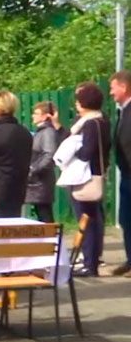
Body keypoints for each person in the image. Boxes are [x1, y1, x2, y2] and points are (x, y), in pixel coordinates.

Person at [67, 82, 111, 277]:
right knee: (92, 218)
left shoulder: (90, 124)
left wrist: (72, 151)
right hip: (95, 173)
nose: (76, 104)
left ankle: (89, 263)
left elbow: (87, 151)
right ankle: (90, 260)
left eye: (79, 100)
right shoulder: (101, 120)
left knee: (86, 219)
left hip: (86, 176)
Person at [109, 70, 131, 277]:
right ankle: (129, 259)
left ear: (123, 87)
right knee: (126, 219)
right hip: (126, 174)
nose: (111, 92)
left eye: (113, 87)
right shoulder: (122, 111)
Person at [26, 101, 62, 223]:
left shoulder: (47, 132)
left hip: (41, 180)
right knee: (41, 212)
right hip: (38, 180)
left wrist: (33, 169)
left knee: (44, 213)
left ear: (46, 116)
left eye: (36, 113)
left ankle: (52, 239)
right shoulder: (41, 131)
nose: (33, 116)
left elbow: (49, 154)